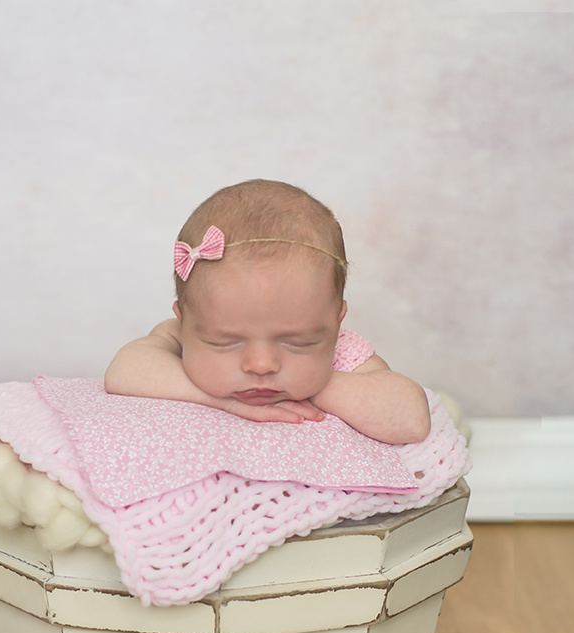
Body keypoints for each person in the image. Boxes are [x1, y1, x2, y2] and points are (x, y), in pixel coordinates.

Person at [104, 179, 431, 446]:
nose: (261, 365)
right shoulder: (179, 336)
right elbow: (124, 371)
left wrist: (314, 385)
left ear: (335, 323)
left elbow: (412, 420)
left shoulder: (343, 354)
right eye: (223, 342)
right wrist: (224, 402)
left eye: (299, 343)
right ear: (184, 321)